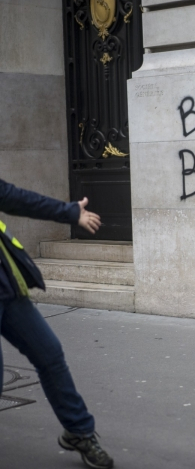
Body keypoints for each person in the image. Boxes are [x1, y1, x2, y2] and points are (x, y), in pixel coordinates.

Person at [0, 179, 114, 469]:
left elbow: (18, 198)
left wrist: (69, 212)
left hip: (7, 290)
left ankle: (79, 432)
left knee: (50, 355)